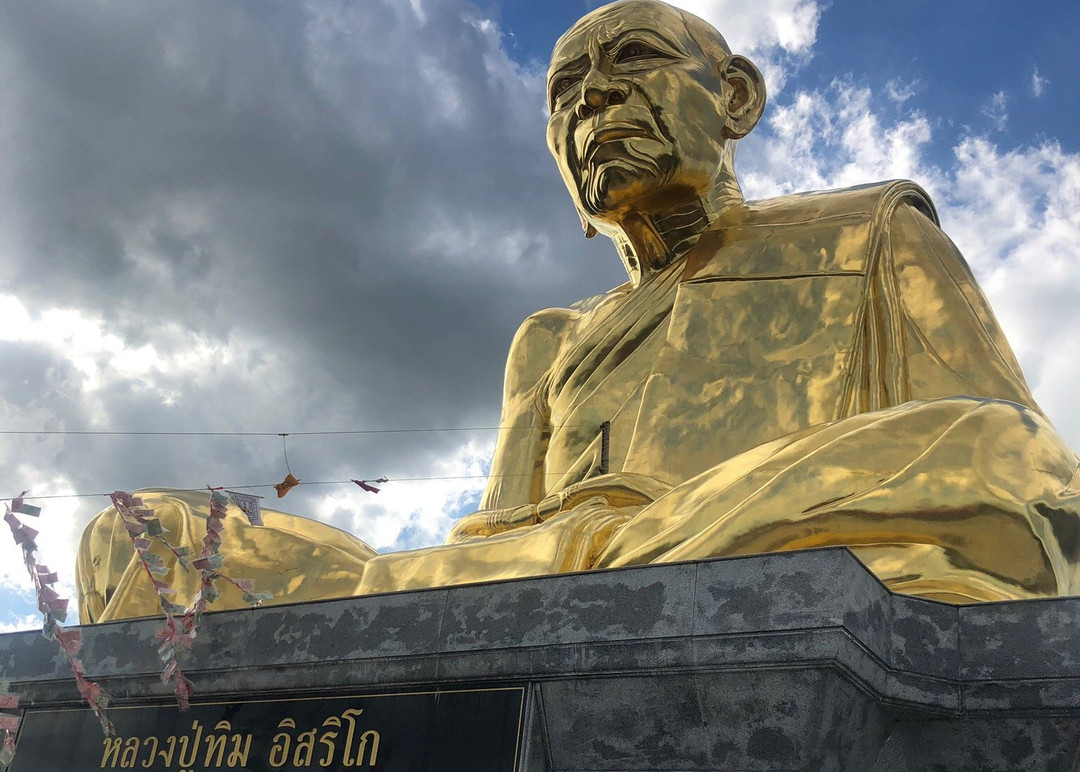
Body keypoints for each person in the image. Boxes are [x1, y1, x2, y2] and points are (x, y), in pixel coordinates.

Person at [78, 0, 1080, 621]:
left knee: (994, 454)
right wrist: (570, 554)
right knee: (135, 537)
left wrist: (625, 537)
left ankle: (606, 564)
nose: (586, 105)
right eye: (564, 94)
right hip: (543, 572)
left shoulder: (870, 232)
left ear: (734, 99)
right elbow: (491, 548)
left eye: (630, 61)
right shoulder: (551, 341)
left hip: (716, 540)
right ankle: (602, 567)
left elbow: (1015, 474)